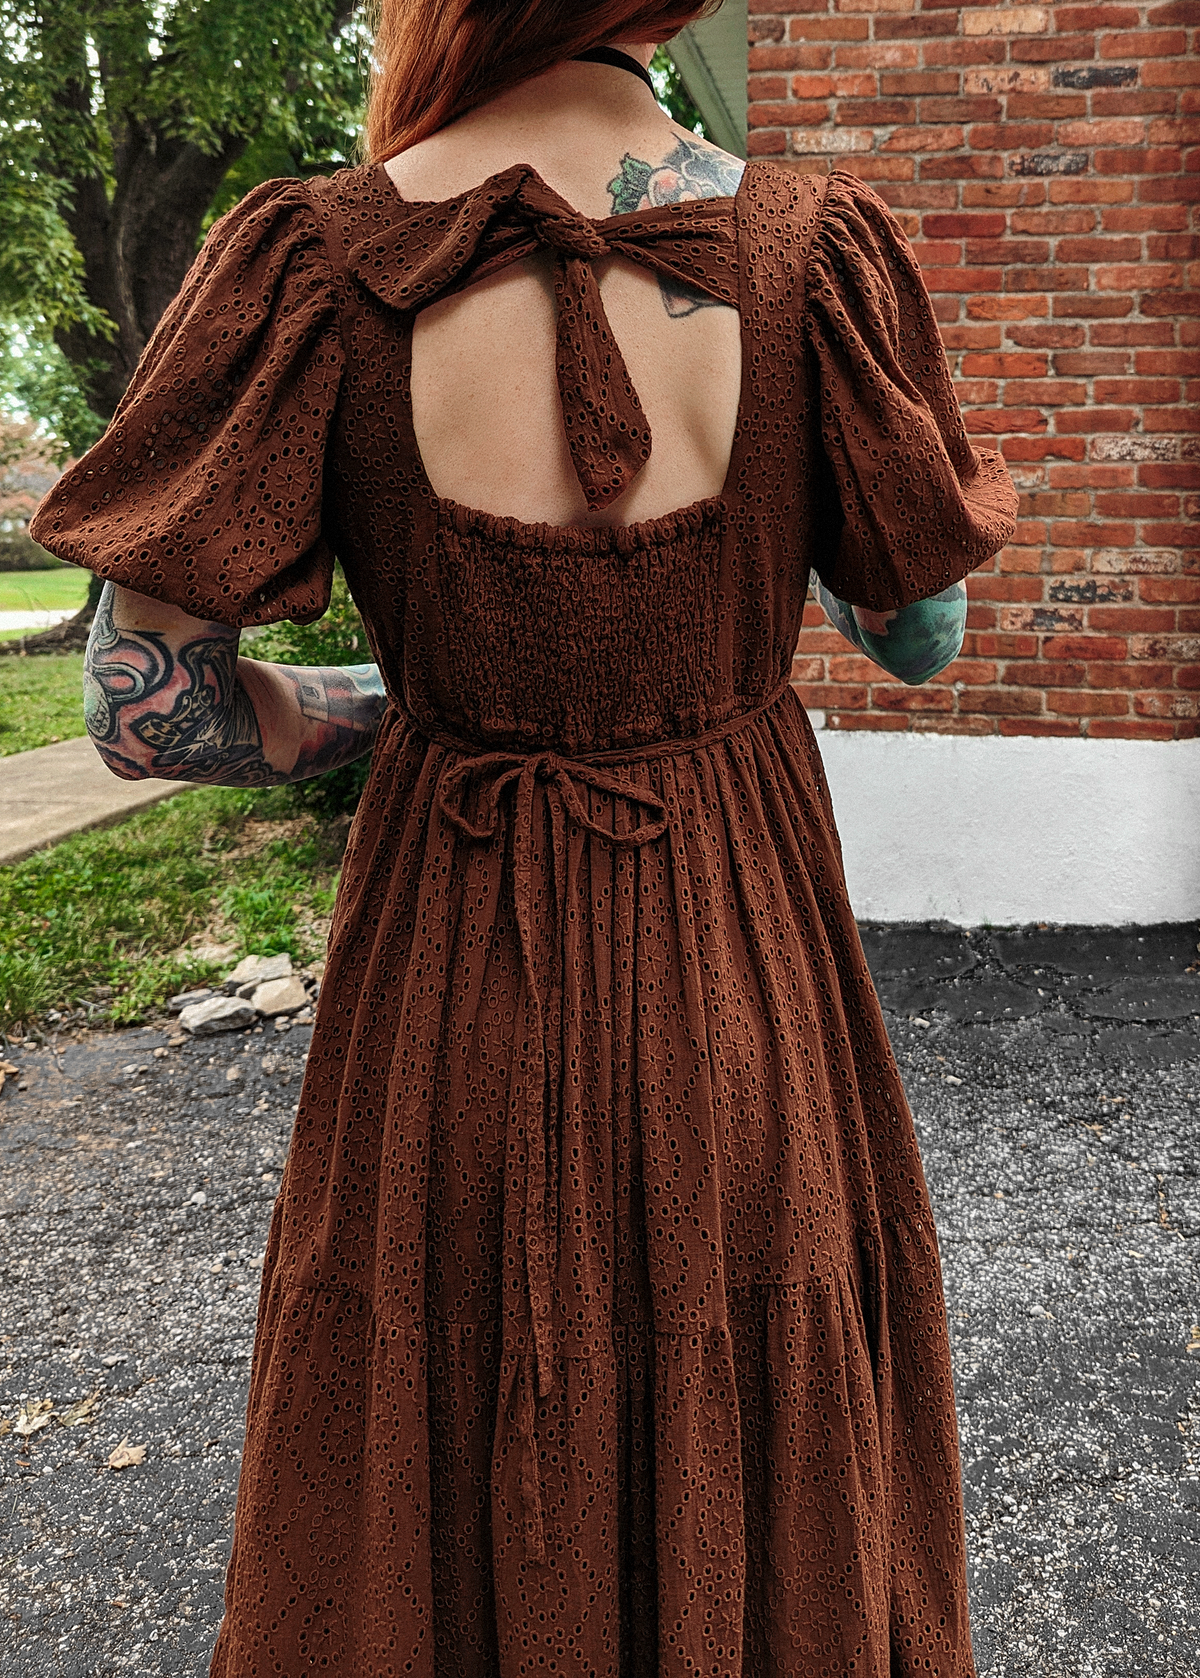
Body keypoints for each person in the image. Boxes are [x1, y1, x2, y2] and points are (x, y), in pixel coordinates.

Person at [30, 3, 1018, 1672]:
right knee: (753, 1362)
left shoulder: (312, 260)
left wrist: (387, 701)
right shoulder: (811, 254)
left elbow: (147, 712)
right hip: (740, 965)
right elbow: (919, 633)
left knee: (447, 1387)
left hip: (448, 987)